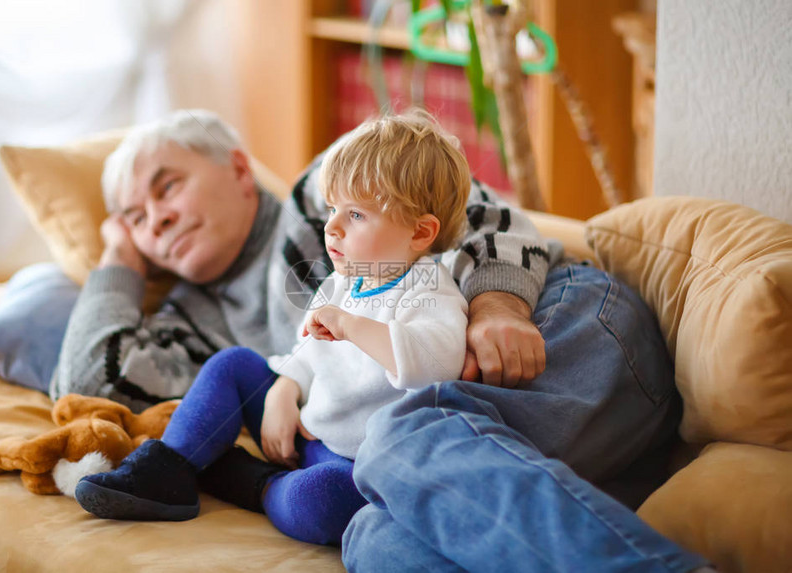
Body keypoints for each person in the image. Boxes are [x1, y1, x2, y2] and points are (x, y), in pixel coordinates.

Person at [53, 109, 711, 570]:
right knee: (372, 538)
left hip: (562, 336)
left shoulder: (331, 190)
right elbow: (89, 379)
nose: (157, 218)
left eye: (167, 186)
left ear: (237, 168)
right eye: (137, 218)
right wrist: (117, 261)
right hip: (479, 442)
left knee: (399, 437)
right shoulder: (191, 318)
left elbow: (486, 214)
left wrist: (496, 303)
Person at [74, 111, 470, 546]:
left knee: (322, 504)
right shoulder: (343, 282)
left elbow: (435, 365)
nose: (331, 226)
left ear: (420, 232)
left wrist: (352, 325)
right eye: (334, 210)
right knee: (234, 365)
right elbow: (307, 350)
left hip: (358, 461)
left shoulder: (430, 288)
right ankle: (169, 468)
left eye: (354, 215)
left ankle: (247, 481)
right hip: (307, 427)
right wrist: (285, 386)